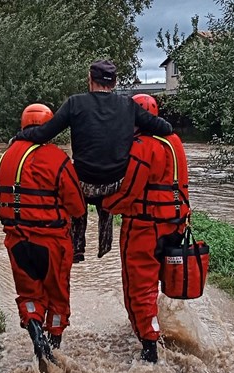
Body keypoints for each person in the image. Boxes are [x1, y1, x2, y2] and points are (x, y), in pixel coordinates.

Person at [14, 59, 173, 263]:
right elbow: (165, 128)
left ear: (90, 80)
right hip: (116, 186)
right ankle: (104, 244)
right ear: (115, 83)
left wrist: (19, 137)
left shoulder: (75, 103)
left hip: (83, 185)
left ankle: (76, 245)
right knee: (106, 183)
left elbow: (44, 134)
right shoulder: (128, 105)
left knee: (69, 179)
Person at [102, 94, 190, 363]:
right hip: (176, 225)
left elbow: (128, 192)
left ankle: (148, 344)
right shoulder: (174, 142)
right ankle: (153, 328)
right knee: (159, 283)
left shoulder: (142, 147)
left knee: (139, 286)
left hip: (144, 227)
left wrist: (106, 204)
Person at [0, 103, 86, 372]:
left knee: (29, 295)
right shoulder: (56, 158)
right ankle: (54, 349)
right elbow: (77, 207)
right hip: (51, 243)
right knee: (57, 298)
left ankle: (37, 336)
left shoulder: (6, 157)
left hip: (16, 242)